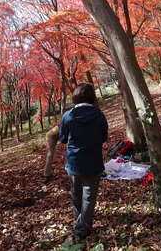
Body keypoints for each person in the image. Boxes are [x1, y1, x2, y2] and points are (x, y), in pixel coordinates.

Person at [59, 83, 108, 240]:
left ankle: (80, 226)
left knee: (76, 194)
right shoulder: (99, 115)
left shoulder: (68, 116)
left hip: (73, 163)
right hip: (93, 162)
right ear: (92, 97)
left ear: (75, 97)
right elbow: (103, 137)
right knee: (89, 196)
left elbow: (63, 138)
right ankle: (82, 224)